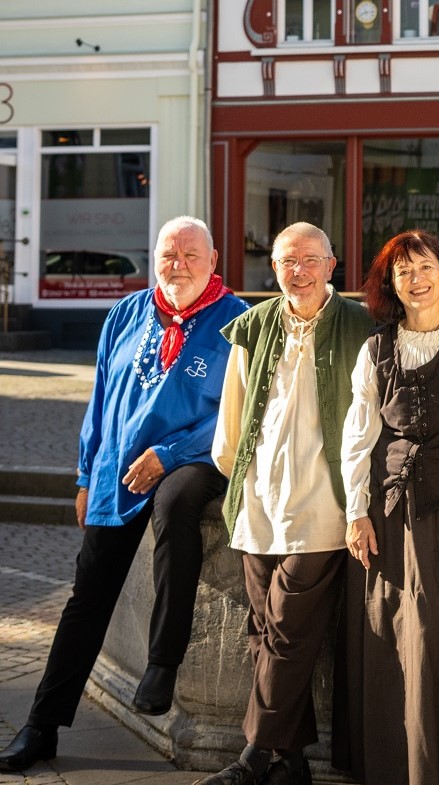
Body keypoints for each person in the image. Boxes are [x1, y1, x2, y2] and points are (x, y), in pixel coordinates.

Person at [0, 217, 246, 772]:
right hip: (118, 467)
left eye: (190, 254)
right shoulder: (126, 314)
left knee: (177, 507)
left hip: (190, 461)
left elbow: (238, 412)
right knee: (87, 597)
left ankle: (162, 664)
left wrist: (172, 453)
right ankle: (41, 726)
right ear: (154, 258)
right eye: (167, 254)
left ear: (212, 260)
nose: (177, 264)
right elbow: (102, 400)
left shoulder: (236, 322)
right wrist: (86, 474)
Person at [200, 222, 373, 785]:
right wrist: (239, 478)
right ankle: (292, 762)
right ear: (273, 268)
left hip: (323, 505)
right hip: (258, 502)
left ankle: (252, 759)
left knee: (289, 632)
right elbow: (232, 418)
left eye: (308, 260)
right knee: (263, 631)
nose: (297, 271)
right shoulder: (253, 326)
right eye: (286, 262)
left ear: (332, 264)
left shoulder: (360, 325)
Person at [333, 230, 439, 784]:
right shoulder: (376, 348)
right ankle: (388, 767)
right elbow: (358, 435)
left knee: (436, 634)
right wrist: (355, 511)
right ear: (391, 284)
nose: (417, 279)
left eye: (426, 266)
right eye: (403, 271)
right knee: (386, 633)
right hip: (387, 511)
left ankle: (436, 769)